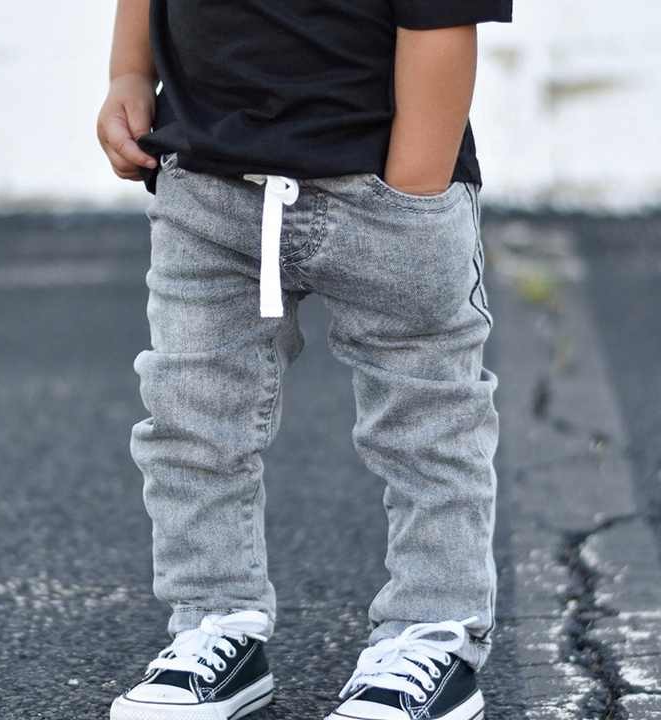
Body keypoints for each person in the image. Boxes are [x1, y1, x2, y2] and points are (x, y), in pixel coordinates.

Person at [97, 1, 511, 719]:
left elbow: (443, 16)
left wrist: (413, 189)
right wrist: (129, 72)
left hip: (379, 184)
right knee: (191, 419)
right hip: (208, 184)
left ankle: (431, 630)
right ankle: (214, 622)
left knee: (427, 426)